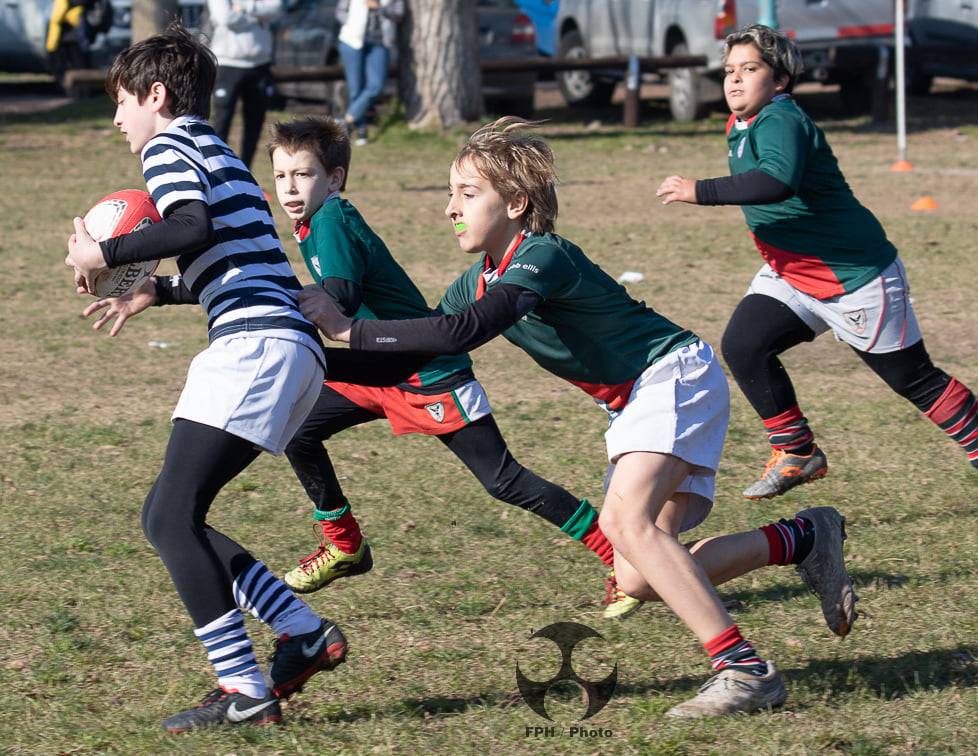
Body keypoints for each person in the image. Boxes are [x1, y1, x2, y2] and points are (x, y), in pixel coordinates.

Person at [298, 116, 858, 718]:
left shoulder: (541, 255)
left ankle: (745, 671)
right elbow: (422, 352)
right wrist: (312, 361)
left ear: (515, 203)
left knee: (625, 524)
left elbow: (471, 329)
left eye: (466, 193)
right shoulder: (474, 281)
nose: (449, 208)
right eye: (450, 194)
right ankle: (803, 537)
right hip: (637, 400)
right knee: (640, 574)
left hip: (672, 375)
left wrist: (351, 328)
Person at [62, 27, 377, 732]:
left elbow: (190, 225)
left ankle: (244, 687)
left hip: (254, 348)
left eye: (121, 103)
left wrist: (103, 250)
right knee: (170, 517)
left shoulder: (170, 147)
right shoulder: (217, 148)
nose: (117, 119)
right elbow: (231, 255)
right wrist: (159, 292)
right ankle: (299, 632)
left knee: (170, 518)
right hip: (283, 345)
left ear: (156, 95)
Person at [655, 24, 978, 524]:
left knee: (914, 380)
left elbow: (776, 182)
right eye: (729, 71)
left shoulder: (781, 118)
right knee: (745, 345)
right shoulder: (740, 122)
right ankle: (796, 451)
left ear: (781, 79)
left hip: (852, 276)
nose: (735, 81)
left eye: (750, 69)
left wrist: (698, 190)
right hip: (792, 272)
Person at [265, 116, 630, 616]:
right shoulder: (312, 222)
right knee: (297, 426)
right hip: (380, 365)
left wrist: (281, 319)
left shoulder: (330, 220)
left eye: (303, 174)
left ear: (335, 179)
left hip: (425, 369)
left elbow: (340, 297)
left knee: (503, 479)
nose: (290, 186)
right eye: (281, 175)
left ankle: (620, 557)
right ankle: (344, 543)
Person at [205, 0, 282, 169]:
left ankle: (246, 172)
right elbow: (225, 17)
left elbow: (276, 8)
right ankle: (217, 172)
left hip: (260, 63)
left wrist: (245, 8)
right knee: (222, 122)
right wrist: (259, 17)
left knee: (254, 123)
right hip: (228, 63)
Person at [336, 0, 403, 146]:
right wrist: (351, 24)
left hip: (379, 43)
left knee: (376, 85)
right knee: (356, 88)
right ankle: (361, 130)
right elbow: (340, 11)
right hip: (352, 42)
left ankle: (346, 120)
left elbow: (398, 14)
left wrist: (378, 7)